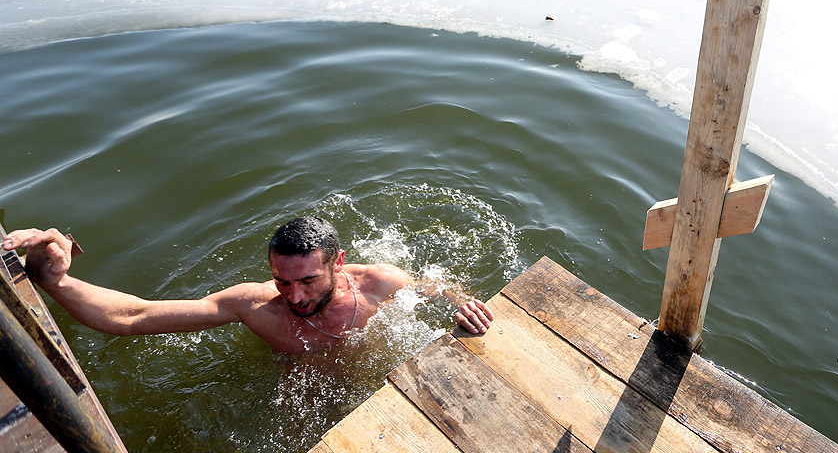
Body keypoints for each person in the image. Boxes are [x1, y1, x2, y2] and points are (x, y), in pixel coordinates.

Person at [1, 217, 493, 354]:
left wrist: (463, 304)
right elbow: (132, 317)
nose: (294, 297)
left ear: (338, 264)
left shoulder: (380, 283)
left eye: (307, 280)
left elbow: (437, 284)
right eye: (282, 280)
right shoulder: (256, 305)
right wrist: (56, 281)